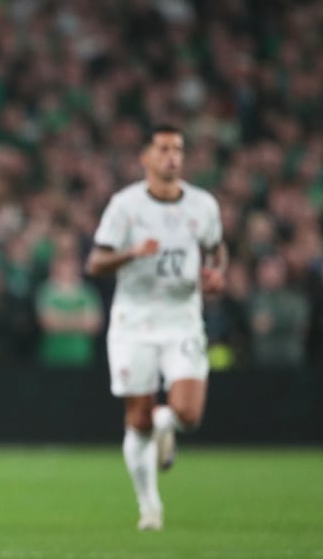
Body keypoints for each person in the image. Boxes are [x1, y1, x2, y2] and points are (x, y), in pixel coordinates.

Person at [85, 124, 227, 531]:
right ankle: (150, 507)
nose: (172, 157)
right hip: (134, 322)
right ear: (145, 157)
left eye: (178, 149)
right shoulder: (126, 206)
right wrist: (131, 253)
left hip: (182, 319)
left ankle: (168, 423)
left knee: (187, 413)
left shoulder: (203, 206)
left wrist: (216, 273)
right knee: (138, 421)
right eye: (163, 149)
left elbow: (217, 250)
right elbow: (95, 262)